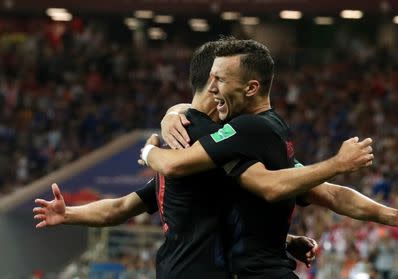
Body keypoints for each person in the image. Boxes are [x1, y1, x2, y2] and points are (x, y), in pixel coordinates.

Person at [139, 38, 398, 279]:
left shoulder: (244, 129)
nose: (213, 87)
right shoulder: (272, 128)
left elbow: (273, 187)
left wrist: (150, 147)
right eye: (211, 79)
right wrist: (391, 215)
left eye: (221, 80)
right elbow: (328, 193)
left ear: (251, 87)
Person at [33, 40, 318, 279]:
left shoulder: (181, 136)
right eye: (222, 76)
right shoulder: (213, 141)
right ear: (213, 82)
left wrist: (68, 214)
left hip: (170, 268)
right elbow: (267, 185)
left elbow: (120, 207)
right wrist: (338, 165)